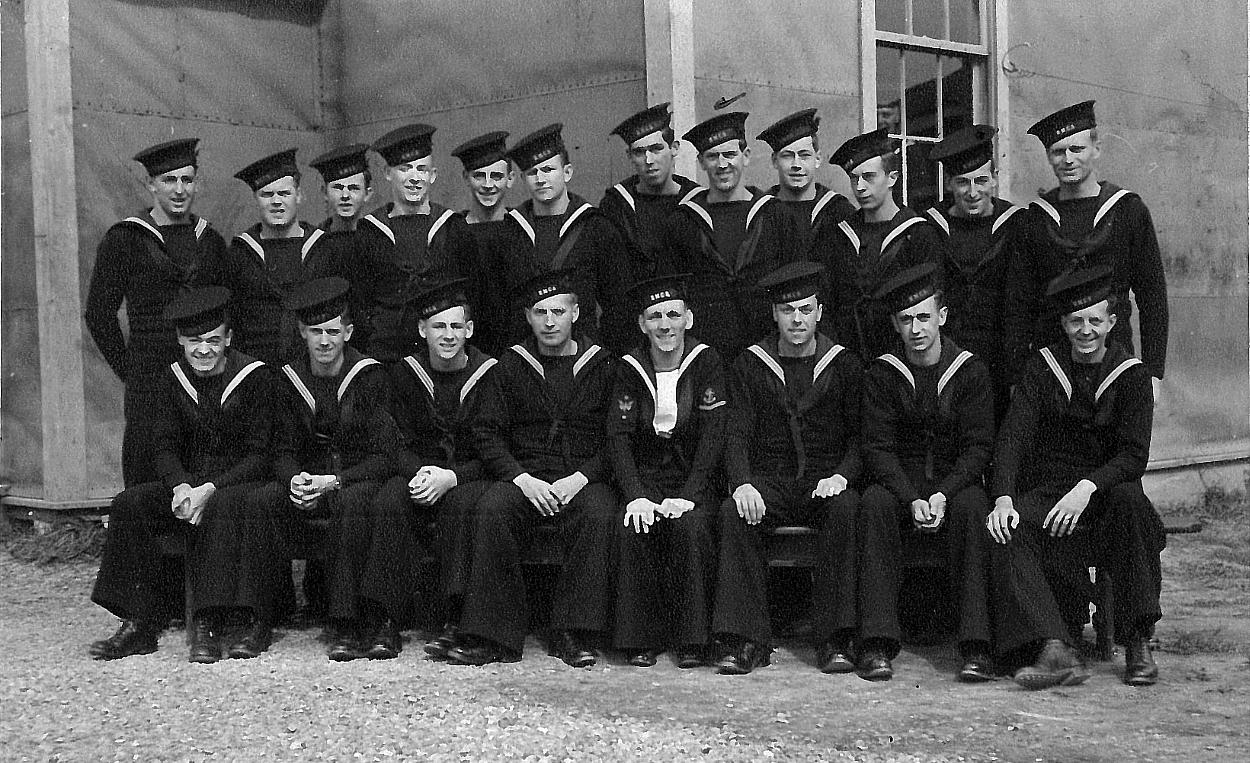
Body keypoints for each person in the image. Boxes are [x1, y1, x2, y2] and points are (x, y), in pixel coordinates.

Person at [988, 265, 1165, 689]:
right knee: (1007, 531)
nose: (1085, 331)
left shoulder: (1132, 375)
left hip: (1105, 492)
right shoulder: (1042, 369)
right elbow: (1013, 437)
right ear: (1064, 324)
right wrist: (1004, 499)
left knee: (1131, 503)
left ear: (1112, 323)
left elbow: (1133, 457)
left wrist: (1087, 488)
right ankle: (1055, 645)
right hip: (1051, 490)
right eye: (1075, 322)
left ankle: (1137, 639)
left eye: (1095, 321)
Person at [89, 287, 272, 663]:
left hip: (237, 483)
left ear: (228, 340)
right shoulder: (171, 380)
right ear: (180, 341)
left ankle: (212, 623)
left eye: (212, 341)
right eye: (194, 342)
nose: (203, 350)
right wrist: (181, 486)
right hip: (189, 484)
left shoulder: (254, 378)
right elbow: (164, 447)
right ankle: (138, 621)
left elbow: (260, 455)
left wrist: (210, 487)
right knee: (130, 504)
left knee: (223, 505)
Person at [448, 269, 618, 667]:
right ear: (528, 317)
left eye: (558, 311)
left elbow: (618, 439)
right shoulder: (511, 365)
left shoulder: (604, 365)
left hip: (582, 475)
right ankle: (495, 635)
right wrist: (522, 479)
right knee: (492, 508)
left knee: (599, 512)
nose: (550, 321)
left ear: (576, 313)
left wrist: (581, 478)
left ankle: (573, 632)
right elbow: (487, 433)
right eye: (540, 312)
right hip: (526, 475)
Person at [247, 277, 411, 661]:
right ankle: (258, 618)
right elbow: (282, 448)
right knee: (260, 501)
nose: (324, 341)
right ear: (303, 333)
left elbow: (384, 455)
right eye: (316, 331)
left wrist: (336, 481)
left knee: (353, 504)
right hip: (307, 482)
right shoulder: (287, 379)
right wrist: (294, 481)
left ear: (348, 332)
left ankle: (348, 622)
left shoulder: (369, 376)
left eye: (333, 332)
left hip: (356, 478)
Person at [712, 262, 863, 676]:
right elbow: (737, 435)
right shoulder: (750, 364)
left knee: (847, 507)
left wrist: (842, 476)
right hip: (770, 481)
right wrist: (742, 483)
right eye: (787, 310)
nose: (796, 318)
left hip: (824, 479)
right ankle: (746, 641)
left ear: (819, 311)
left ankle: (836, 639)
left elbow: (859, 439)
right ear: (773, 314)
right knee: (733, 512)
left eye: (804, 308)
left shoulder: (844, 364)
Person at [858, 263, 995, 682]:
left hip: (954, 483)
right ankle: (877, 643)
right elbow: (877, 448)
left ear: (942, 316)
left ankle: (976, 646)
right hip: (902, 483)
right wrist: (911, 496)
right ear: (895, 326)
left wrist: (944, 493)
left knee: (974, 507)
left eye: (923, 316)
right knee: (874, 503)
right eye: (906, 320)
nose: (916, 328)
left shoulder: (970, 370)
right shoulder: (883, 374)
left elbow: (979, 447)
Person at [85, 137, 228, 487]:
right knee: (147, 466)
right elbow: (98, 313)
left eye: (187, 180)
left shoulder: (210, 241)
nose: (180, 190)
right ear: (151, 184)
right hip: (150, 374)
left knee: (202, 463)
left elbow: (228, 308)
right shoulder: (125, 239)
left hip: (204, 370)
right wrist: (130, 369)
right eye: (169, 180)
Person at [1005, 100, 1169, 398]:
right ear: (1048, 157)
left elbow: (1152, 295)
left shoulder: (1128, 211)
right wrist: (1018, 376)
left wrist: (1154, 372)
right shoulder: (1035, 220)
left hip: (1114, 357)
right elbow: (1018, 305)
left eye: (1076, 149)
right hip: (1052, 363)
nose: (1067, 159)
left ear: (1096, 149)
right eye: (1057, 152)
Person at [372, 278, 498, 660]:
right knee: (390, 499)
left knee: (465, 503)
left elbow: (496, 450)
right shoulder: (403, 375)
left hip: (469, 474)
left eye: (456, 326)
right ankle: (386, 620)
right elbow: (392, 443)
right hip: (420, 472)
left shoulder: (490, 374)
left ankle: (455, 619)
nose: (448, 335)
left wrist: (453, 477)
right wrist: (423, 472)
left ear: (469, 330)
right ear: (422, 330)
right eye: (439, 326)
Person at [608, 274, 726, 669]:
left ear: (688, 320)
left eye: (673, 315)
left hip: (694, 476)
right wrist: (636, 495)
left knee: (691, 527)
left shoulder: (706, 361)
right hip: (646, 477)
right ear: (643, 324)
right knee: (635, 524)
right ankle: (641, 638)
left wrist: (689, 495)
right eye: (655, 316)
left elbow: (713, 435)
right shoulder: (629, 366)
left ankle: (691, 639)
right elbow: (619, 437)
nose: (664, 325)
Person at [658, 111, 800, 363]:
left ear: (745, 157)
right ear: (701, 162)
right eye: (713, 156)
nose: (722, 164)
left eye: (730, 154)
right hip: (706, 353)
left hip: (767, 353)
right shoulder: (683, 222)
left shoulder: (775, 216)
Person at [809, 128, 945, 360]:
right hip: (847, 355)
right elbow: (827, 302)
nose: (860, 187)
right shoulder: (840, 236)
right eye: (854, 178)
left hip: (900, 356)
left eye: (869, 177)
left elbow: (931, 306)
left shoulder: (918, 234)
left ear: (892, 177)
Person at [499, 123, 634, 353]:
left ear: (567, 172)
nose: (540, 179)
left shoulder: (596, 228)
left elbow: (618, 304)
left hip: (584, 356)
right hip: (527, 359)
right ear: (523, 179)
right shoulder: (511, 232)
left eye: (548, 170)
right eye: (532, 173)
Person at [925, 125, 1026, 421]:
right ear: (948, 184)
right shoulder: (930, 227)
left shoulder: (1016, 225)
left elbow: (1021, 304)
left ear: (994, 179)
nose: (972, 192)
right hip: (949, 357)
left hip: (1001, 360)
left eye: (981, 180)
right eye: (962, 182)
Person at [363, 123, 479, 362]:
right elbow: (361, 300)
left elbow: (472, 292)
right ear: (387, 173)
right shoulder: (370, 231)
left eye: (421, 169)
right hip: (387, 354)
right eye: (405, 169)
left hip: (439, 356)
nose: (414, 178)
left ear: (433, 175)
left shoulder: (452, 227)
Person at [223, 148, 339, 366]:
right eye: (267, 195)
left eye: (284, 193)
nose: (276, 202)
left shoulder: (324, 248)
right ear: (256, 200)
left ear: (299, 195)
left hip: (312, 370)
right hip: (256, 369)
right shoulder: (240, 253)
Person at [600, 103, 702, 280]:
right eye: (639, 152)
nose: (649, 160)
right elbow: (610, 276)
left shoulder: (698, 202)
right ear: (629, 156)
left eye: (656, 149)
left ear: (674, 148)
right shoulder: (616, 206)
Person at [449, 130, 529, 357]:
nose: (488, 185)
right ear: (466, 177)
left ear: (510, 179)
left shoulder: (522, 228)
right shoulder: (454, 231)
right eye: (478, 176)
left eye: (496, 176)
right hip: (469, 352)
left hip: (518, 349)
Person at [305, 143, 387, 355]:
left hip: (375, 347)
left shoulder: (381, 239)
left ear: (368, 193)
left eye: (353, 188)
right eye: (337, 188)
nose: (345, 196)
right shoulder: (314, 244)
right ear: (324, 192)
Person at [756, 108, 855, 256]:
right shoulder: (760, 213)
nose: (796, 164)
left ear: (817, 159)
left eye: (804, 155)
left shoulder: (839, 212)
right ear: (774, 160)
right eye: (787, 156)